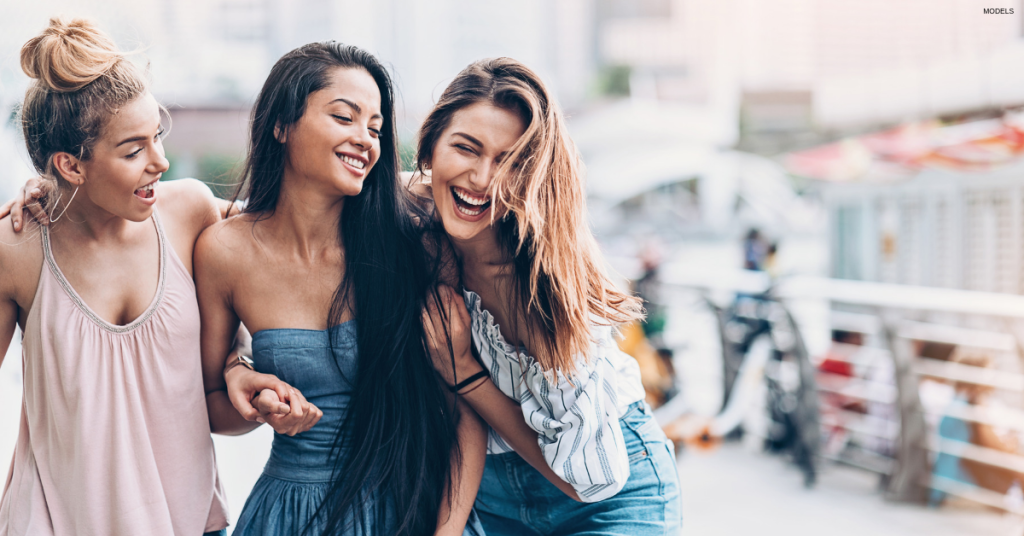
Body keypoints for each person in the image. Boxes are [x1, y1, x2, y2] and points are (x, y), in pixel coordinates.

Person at [196, 42, 487, 536]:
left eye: (375, 128)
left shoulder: (413, 243)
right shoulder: (224, 250)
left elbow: (465, 412)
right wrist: (262, 405)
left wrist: (448, 530)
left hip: (410, 509)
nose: (365, 139)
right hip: (289, 515)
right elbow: (211, 407)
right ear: (282, 124)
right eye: (344, 117)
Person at [415, 58, 683, 535]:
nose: (482, 178)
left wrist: (467, 375)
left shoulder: (543, 284)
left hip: (606, 491)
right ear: (432, 145)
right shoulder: (419, 212)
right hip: (494, 499)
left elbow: (587, 480)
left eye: (509, 162)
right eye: (466, 148)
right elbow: (301, 213)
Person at [0, 17, 234, 535]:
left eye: (158, 136)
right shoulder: (16, 249)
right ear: (70, 165)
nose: (161, 160)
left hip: (191, 522)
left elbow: (296, 228)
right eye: (134, 151)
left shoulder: (190, 212)